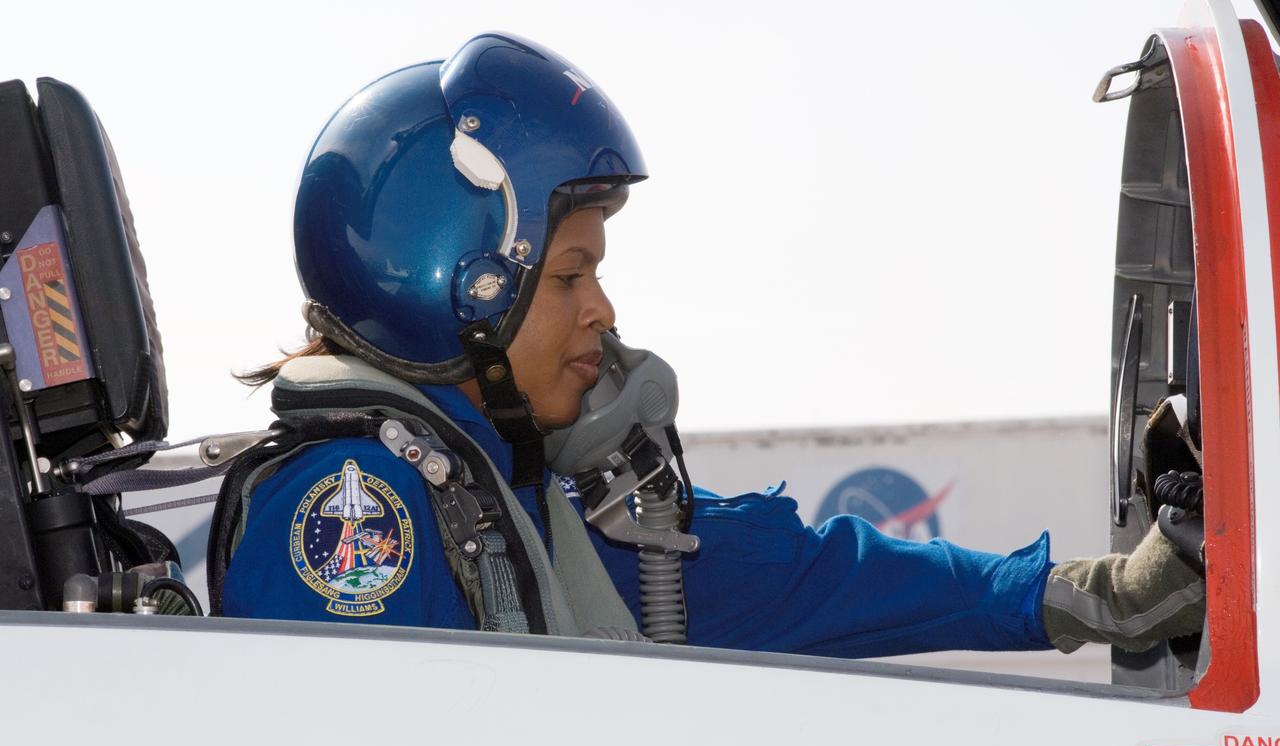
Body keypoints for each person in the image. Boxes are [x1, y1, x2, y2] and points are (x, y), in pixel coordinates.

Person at [216, 32, 1205, 659]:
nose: (601, 313)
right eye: (568, 275)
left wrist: (1105, 594)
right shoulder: (353, 514)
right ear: (460, 284)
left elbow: (814, 579)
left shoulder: (520, 501)